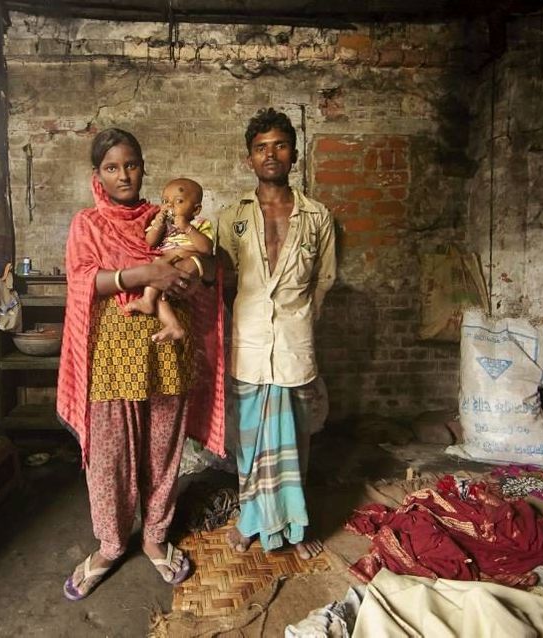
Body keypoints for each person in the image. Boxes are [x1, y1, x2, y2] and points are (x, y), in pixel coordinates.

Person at [56, 128, 225, 600]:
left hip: (167, 352)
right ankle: (110, 545)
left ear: (143, 167)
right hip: (111, 359)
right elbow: (81, 281)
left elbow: (212, 265)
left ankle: (154, 537)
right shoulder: (87, 224)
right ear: (98, 176)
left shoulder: (164, 217)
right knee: (110, 459)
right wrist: (144, 273)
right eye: (112, 167)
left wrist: (190, 272)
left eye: (130, 164)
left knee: (162, 452)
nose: (123, 174)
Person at [215, 108, 337, 560]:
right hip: (247, 344)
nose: (271, 154)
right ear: (249, 158)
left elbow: (324, 281)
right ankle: (251, 520)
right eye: (261, 147)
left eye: (280, 145)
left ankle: (296, 525)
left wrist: (299, 321)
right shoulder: (233, 216)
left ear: (294, 154)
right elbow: (222, 280)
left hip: (294, 345)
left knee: (296, 440)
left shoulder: (317, 216)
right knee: (248, 441)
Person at [124, 177, 214, 342]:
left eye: (178, 201)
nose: (170, 205)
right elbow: (150, 242)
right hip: (166, 263)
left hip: (188, 259)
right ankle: (172, 324)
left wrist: (187, 227)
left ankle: (148, 300)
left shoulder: (199, 223)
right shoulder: (163, 223)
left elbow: (206, 249)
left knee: (161, 271)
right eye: (165, 201)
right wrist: (158, 222)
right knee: (158, 282)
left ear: (196, 210)